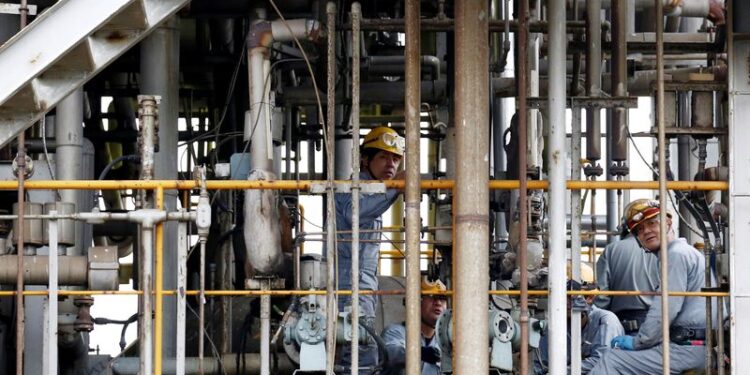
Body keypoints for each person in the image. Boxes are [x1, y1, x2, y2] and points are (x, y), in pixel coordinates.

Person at [589, 199, 707, 374]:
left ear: (668, 222)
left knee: (611, 360)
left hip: (684, 348)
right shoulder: (682, 252)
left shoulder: (675, 255)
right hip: (687, 342)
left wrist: (639, 342)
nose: (646, 232)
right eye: (639, 229)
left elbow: (666, 308)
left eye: (652, 223)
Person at [334, 126, 406, 373]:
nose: (391, 164)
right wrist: (397, 187)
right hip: (346, 289)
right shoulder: (350, 188)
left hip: (363, 289)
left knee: (362, 354)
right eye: (384, 157)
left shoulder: (378, 192)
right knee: (359, 356)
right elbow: (355, 213)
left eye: (395, 158)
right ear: (365, 159)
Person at [594, 202, 660, 335]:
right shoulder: (666, 250)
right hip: (661, 325)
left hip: (623, 327)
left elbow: (602, 298)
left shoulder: (611, 251)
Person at [535, 280, 624, 374]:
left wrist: (560, 372)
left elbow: (602, 361)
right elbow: (541, 364)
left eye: (570, 296)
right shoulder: (557, 326)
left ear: (590, 297)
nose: (565, 302)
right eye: (561, 296)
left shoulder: (606, 321)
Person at [381, 278, 447, 375]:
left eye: (442, 298)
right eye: (431, 296)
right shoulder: (395, 332)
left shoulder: (445, 341)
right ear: (416, 302)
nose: (438, 303)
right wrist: (421, 353)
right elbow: (393, 354)